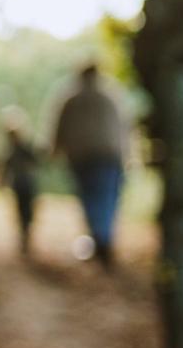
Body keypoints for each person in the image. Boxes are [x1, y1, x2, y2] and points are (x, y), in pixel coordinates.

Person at [50, 64, 127, 268]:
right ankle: (103, 238)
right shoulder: (110, 97)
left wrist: (54, 152)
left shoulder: (71, 99)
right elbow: (124, 130)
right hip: (109, 157)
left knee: (90, 200)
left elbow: (59, 128)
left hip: (81, 157)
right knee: (107, 200)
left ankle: (99, 239)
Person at [0, 110, 40, 256]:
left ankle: (26, 234)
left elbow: (37, 160)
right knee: (23, 210)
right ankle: (24, 235)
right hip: (20, 184)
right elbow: (3, 166)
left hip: (27, 183)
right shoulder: (11, 150)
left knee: (27, 210)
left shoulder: (25, 147)